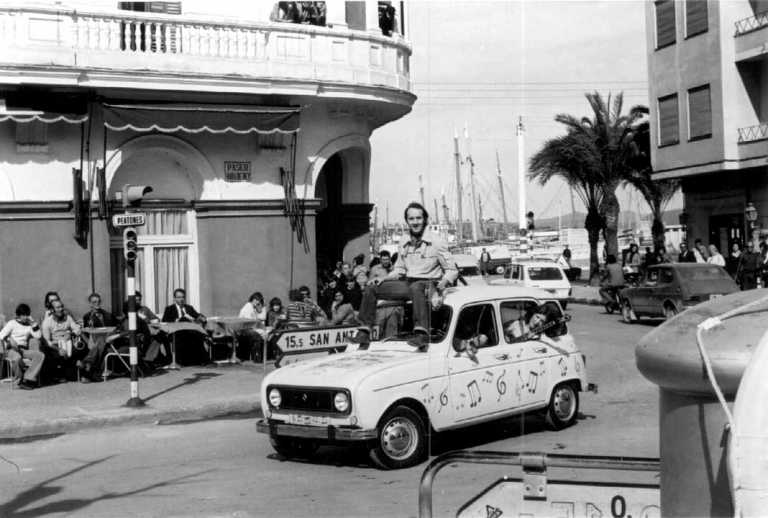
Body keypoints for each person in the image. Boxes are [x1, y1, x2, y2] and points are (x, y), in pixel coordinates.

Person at [349, 202, 458, 350]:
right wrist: (383, 278)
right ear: (407, 221)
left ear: (425, 219)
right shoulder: (404, 241)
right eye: (411, 219)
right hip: (408, 284)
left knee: (416, 287)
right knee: (372, 287)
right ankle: (364, 332)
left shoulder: (437, 241)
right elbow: (400, 268)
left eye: (418, 218)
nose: (415, 222)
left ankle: (421, 334)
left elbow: (452, 270)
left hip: (427, 284)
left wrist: (442, 285)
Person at [0, 303, 45, 389]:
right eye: (23, 315)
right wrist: (9, 340)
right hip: (11, 349)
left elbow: (38, 336)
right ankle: (19, 379)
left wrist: (33, 323)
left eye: (27, 315)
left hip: (23, 349)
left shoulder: (29, 325)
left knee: (40, 355)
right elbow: (1, 335)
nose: (25, 317)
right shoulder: (12, 323)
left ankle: (27, 378)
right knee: (17, 358)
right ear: (18, 315)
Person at [161, 288, 208, 365]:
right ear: (174, 298)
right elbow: (164, 322)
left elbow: (197, 315)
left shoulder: (189, 308)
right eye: (179, 297)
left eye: (183, 297)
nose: (181, 299)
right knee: (184, 333)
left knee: (198, 335)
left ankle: (202, 359)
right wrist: (177, 320)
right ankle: (181, 360)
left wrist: (201, 317)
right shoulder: (169, 309)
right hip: (176, 332)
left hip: (189, 331)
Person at [41, 298, 83, 381]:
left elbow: (77, 329)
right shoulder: (47, 322)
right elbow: (47, 341)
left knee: (80, 349)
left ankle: (80, 370)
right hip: (55, 345)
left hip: (68, 342)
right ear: (52, 310)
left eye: (61, 307)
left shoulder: (68, 318)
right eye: (58, 307)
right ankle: (58, 375)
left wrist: (71, 334)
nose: (61, 309)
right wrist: (58, 349)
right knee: (52, 354)